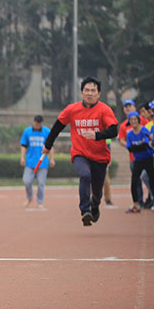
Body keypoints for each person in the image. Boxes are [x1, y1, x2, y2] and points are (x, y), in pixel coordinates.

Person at [42, 76, 119, 226]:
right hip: (80, 153)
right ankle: (85, 211)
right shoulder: (72, 109)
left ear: (99, 94)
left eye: (93, 91)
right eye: (87, 90)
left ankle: (94, 204)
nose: (90, 93)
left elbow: (113, 130)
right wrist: (48, 145)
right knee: (84, 175)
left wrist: (96, 135)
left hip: (100, 156)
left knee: (97, 191)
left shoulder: (104, 110)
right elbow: (57, 127)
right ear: (82, 93)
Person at [118, 99, 152, 207]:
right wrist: (132, 146)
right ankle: (138, 201)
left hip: (147, 156)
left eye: (130, 106)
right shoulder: (124, 126)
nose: (128, 108)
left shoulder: (143, 121)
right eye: (126, 107)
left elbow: (149, 136)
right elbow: (123, 140)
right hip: (134, 158)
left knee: (149, 177)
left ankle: (153, 198)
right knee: (136, 181)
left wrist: (140, 145)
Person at [124, 111, 154, 214]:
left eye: (135, 119)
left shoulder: (144, 130)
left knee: (153, 179)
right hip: (137, 160)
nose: (133, 121)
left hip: (148, 158)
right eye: (131, 120)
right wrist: (138, 147)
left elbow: (145, 145)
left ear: (138, 120)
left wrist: (137, 147)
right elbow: (130, 148)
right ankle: (136, 203)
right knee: (134, 181)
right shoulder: (130, 134)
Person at [20, 115, 54, 208]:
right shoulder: (27, 132)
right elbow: (23, 145)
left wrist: (52, 159)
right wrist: (22, 158)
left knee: (41, 184)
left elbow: (50, 147)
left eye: (38, 124)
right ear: (33, 121)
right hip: (30, 162)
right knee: (27, 181)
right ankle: (29, 197)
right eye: (35, 123)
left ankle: (40, 201)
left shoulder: (47, 132)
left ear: (41, 123)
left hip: (42, 162)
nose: (36, 125)